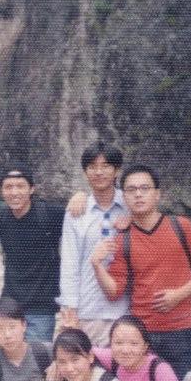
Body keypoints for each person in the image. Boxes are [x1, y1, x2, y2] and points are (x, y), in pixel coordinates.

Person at [91, 164, 191, 380]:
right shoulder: (123, 238)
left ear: (157, 194)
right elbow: (114, 291)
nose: (138, 194)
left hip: (180, 331)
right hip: (142, 334)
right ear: (125, 197)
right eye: (131, 190)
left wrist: (180, 294)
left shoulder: (182, 226)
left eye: (145, 188)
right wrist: (96, 265)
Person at [57, 142, 129, 346]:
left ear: (117, 170)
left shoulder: (131, 204)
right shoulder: (77, 211)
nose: (98, 172)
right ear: (85, 172)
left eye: (105, 166)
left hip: (125, 310)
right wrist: (70, 307)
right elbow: (70, 263)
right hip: (87, 310)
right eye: (92, 167)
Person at [0, 165, 66, 342]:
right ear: (1, 191)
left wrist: (80, 197)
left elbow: (81, 221)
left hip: (41, 309)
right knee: (9, 355)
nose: (14, 192)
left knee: (37, 356)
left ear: (32, 189)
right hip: (9, 306)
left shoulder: (50, 214)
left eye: (20, 186)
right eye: (8, 187)